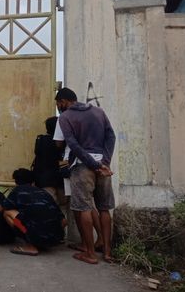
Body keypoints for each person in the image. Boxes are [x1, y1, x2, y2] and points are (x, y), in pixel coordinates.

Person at [55, 87, 116, 264]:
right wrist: (104, 162)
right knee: (104, 208)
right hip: (103, 166)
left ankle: (89, 252)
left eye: (58, 103)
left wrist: (93, 164)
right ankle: (107, 252)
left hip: (82, 166)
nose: (59, 106)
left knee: (84, 209)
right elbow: (110, 136)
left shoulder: (65, 117)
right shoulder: (98, 111)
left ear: (64, 101)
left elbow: (73, 144)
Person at [1, 168, 65, 256]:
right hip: (56, 237)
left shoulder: (18, 190)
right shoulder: (44, 192)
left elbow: (1, 208)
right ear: (33, 181)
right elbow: (64, 220)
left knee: (7, 213)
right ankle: (45, 240)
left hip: (35, 234)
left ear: (16, 182)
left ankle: (30, 245)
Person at [32, 116, 65, 204]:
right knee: (65, 205)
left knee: (49, 203)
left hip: (44, 178)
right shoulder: (62, 141)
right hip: (61, 177)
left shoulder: (41, 140)